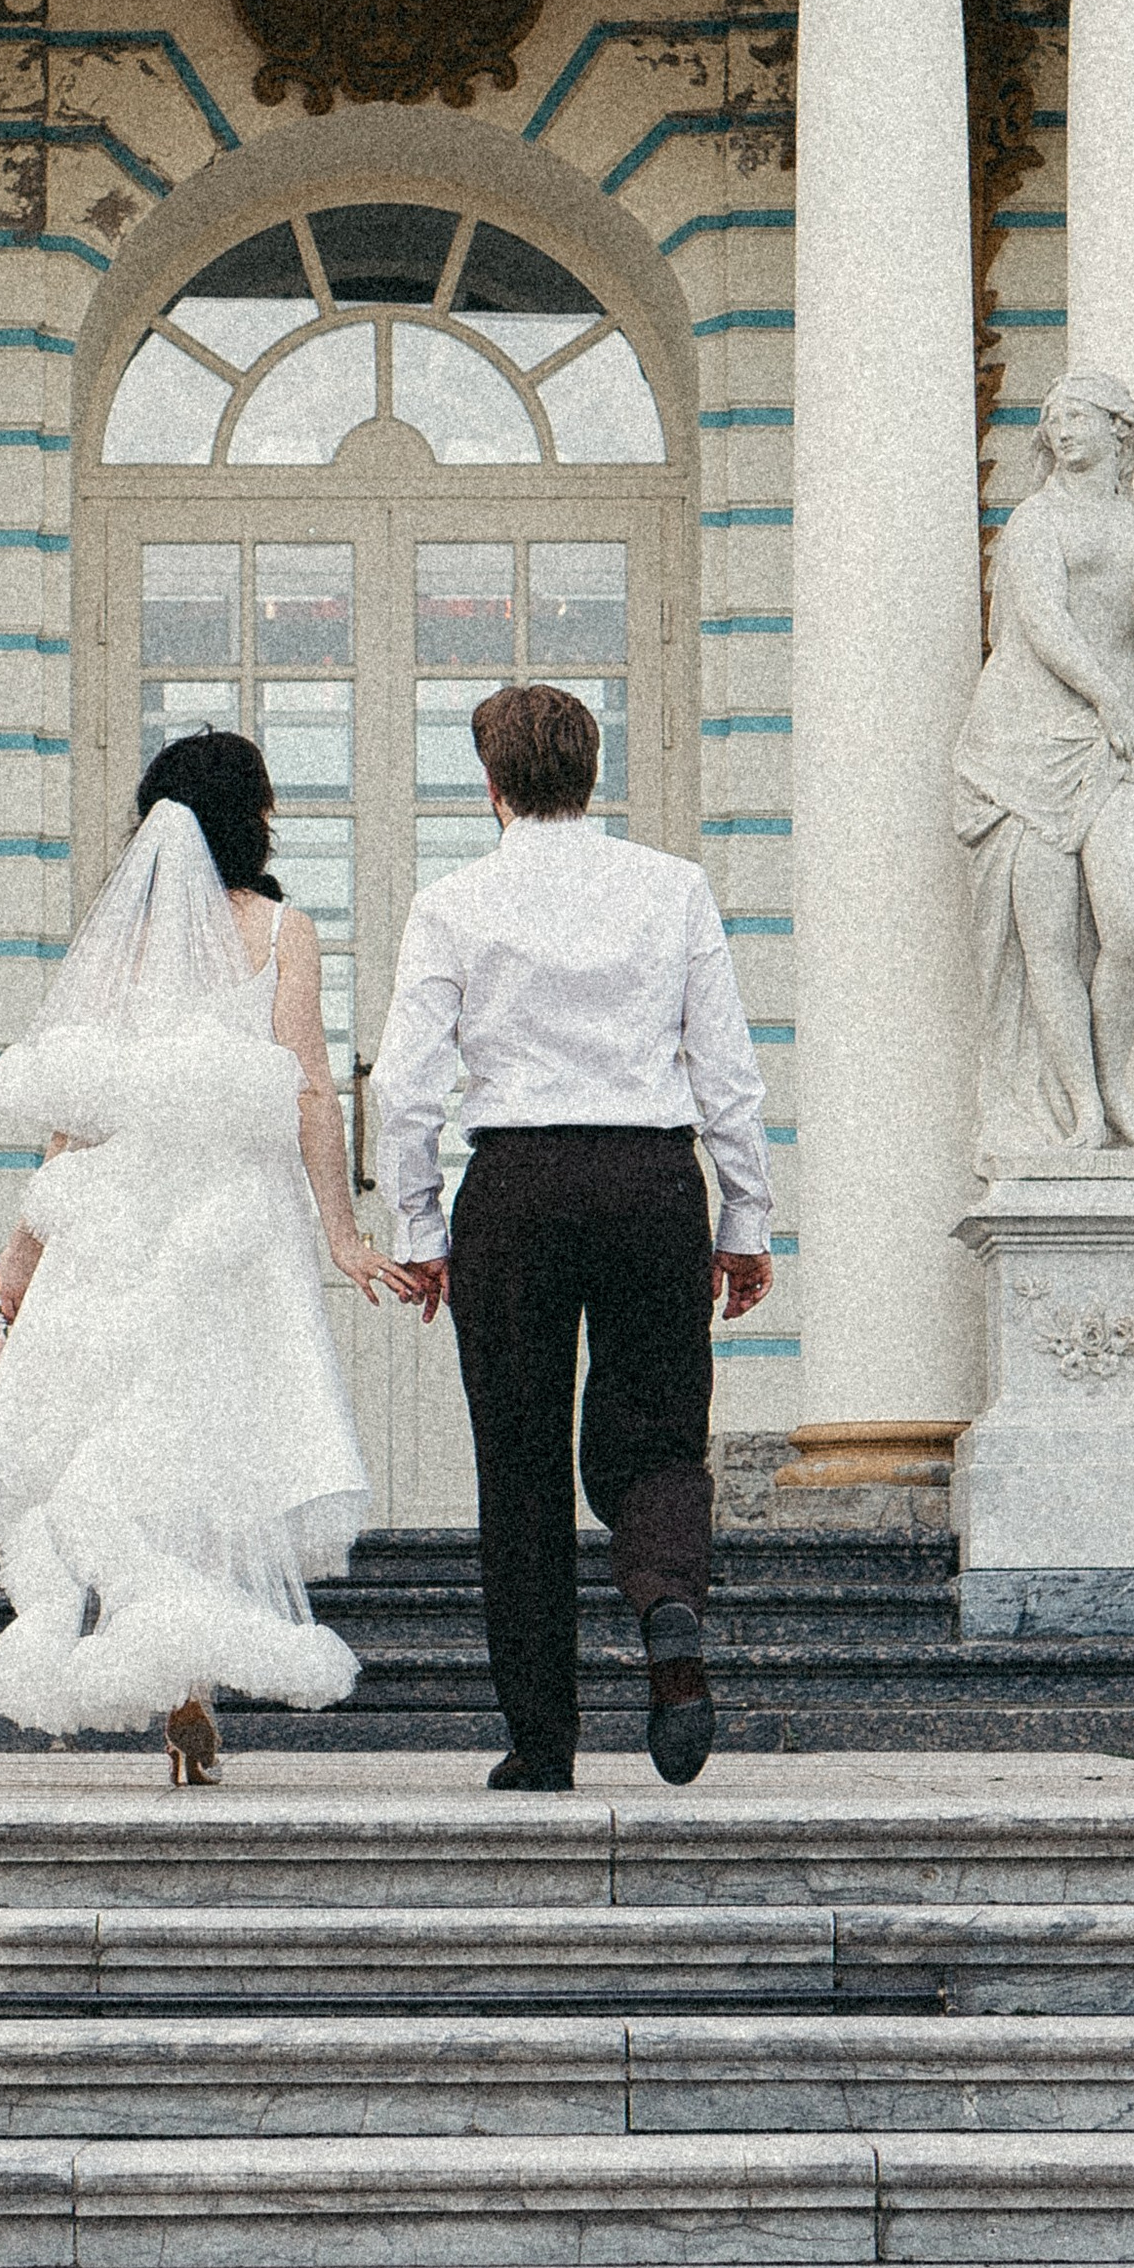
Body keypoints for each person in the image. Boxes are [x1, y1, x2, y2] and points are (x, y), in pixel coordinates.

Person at [0, 728, 404, 1782]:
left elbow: (75, 1120)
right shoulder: (279, 931)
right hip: (229, 1229)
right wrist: (340, 1233)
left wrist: (21, 1253)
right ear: (249, 816)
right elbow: (307, 1088)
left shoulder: (120, 950)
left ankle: (172, 1676)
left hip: (114, 1225)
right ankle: (192, 1684)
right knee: (213, 1446)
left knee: (117, 1449)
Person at [369, 685, 775, 1794]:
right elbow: (726, 1072)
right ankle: (668, 1611)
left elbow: (405, 1090)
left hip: (516, 1187)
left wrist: (418, 1226)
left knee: (521, 1465)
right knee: (656, 1437)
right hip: (650, 1180)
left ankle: (542, 1742)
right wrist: (742, 1219)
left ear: (490, 786)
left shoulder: (453, 902)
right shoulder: (674, 890)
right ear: (594, 776)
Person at [953, 367, 1134, 1175]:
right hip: (1026, 744)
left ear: (1119, 432)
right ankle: (1085, 1112)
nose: (1062, 430)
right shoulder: (1037, 521)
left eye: (1078, 417)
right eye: (1053, 417)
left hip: (1111, 747)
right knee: (1048, 944)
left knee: (1129, 925)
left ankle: (1116, 1083)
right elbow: (1043, 623)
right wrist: (1110, 702)